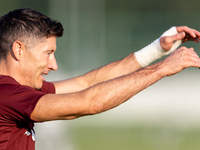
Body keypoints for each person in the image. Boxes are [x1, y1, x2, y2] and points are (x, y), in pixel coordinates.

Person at [0, 8, 200, 150]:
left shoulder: (21, 90)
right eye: (48, 53)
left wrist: (157, 49)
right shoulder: (7, 95)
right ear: (18, 49)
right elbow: (90, 102)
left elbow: (85, 83)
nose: (54, 65)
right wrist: (163, 68)